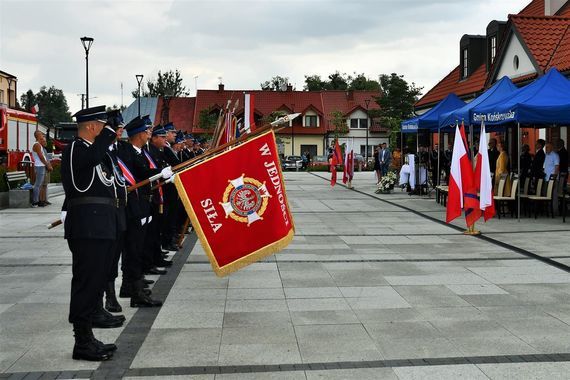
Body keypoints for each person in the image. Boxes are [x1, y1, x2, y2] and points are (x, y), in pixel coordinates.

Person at [61, 106, 121, 361]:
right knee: (86, 282)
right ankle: (81, 340)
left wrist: (111, 137)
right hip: (87, 226)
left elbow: (109, 174)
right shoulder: (75, 149)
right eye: (102, 126)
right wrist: (108, 136)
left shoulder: (95, 152)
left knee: (96, 279)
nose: (105, 131)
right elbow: (90, 161)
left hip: (101, 225)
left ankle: (89, 336)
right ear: (92, 127)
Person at [117, 117, 170, 307]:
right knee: (133, 250)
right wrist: (158, 173)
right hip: (134, 208)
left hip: (143, 205)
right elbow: (139, 174)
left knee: (137, 249)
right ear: (139, 134)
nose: (149, 134)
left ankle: (132, 286)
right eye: (147, 132)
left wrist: (161, 173)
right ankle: (136, 292)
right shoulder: (128, 153)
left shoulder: (139, 152)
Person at [31, 131, 53, 207]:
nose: (43, 136)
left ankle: (40, 201)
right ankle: (35, 201)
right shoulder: (37, 145)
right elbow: (41, 157)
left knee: (41, 184)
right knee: (38, 184)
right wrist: (47, 164)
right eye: (41, 134)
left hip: (41, 166)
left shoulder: (39, 145)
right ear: (38, 136)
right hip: (39, 166)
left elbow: (43, 156)